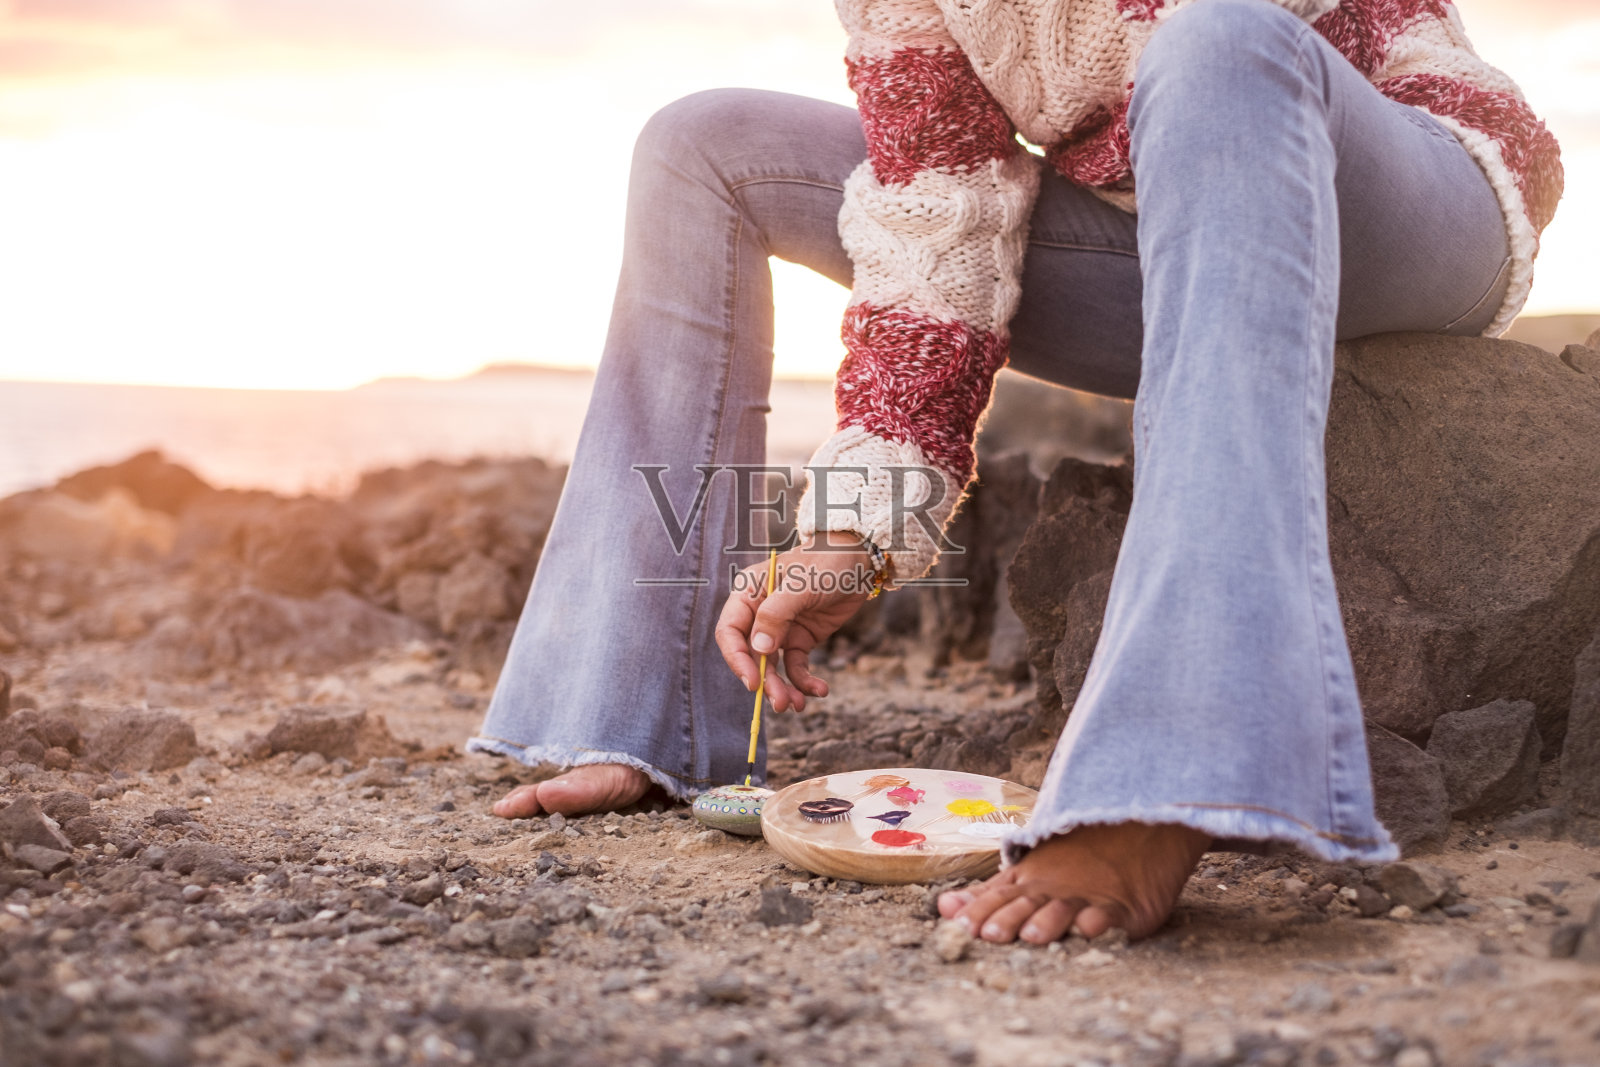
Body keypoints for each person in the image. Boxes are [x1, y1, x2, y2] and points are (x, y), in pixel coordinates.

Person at [469, 0, 1562, 944]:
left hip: (1400, 188)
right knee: (704, 144)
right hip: (1155, 234)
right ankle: (633, 708)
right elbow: (940, 217)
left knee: (1218, 44)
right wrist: (851, 530)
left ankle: (1169, 774)